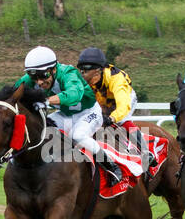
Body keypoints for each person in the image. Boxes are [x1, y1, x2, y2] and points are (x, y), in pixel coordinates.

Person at [12, 45, 142, 180]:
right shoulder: (32, 78)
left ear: (54, 69)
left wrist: (46, 100)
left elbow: (74, 94)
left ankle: (112, 166)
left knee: (78, 135)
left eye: (44, 76)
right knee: (40, 128)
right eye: (34, 77)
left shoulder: (68, 73)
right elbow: (12, 92)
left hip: (89, 113)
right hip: (65, 115)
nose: (39, 82)